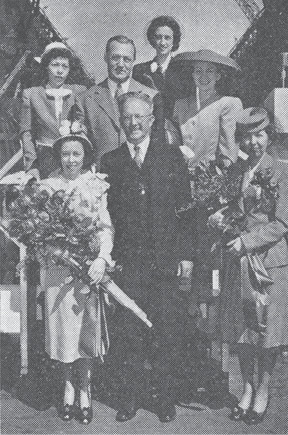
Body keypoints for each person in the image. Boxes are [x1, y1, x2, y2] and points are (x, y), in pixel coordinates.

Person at [101, 92, 194, 423]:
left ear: (152, 121)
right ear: (121, 121)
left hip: (165, 262)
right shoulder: (109, 162)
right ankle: (129, 398)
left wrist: (186, 256)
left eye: (140, 117)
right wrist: (107, 258)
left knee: (166, 332)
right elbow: (105, 216)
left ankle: (164, 399)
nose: (134, 123)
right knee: (128, 334)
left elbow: (185, 210)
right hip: (127, 264)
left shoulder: (171, 157)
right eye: (127, 117)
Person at [217, 107, 288, 425]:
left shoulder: (283, 172)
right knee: (243, 333)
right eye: (247, 137)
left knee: (268, 335)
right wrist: (220, 219)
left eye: (260, 135)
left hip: (268, 264)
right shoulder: (234, 173)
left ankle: (263, 391)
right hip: (238, 264)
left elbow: (281, 223)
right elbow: (231, 212)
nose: (253, 143)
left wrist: (246, 242)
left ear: (270, 137)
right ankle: (247, 389)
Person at [41, 128, 114, 424]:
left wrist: (101, 258)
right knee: (61, 330)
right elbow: (39, 231)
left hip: (86, 269)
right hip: (57, 269)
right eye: (66, 154)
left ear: (85, 157)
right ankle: (67, 387)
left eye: (77, 154)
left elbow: (104, 227)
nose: (71, 160)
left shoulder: (96, 186)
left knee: (85, 330)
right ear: (58, 155)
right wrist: (52, 250)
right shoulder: (46, 187)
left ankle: (85, 387)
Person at [171, 49, 243, 323]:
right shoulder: (180, 105)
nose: (203, 77)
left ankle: (210, 321)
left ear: (219, 75)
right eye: (198, 71)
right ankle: (188, 318)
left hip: (211, 189)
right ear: (191, 75)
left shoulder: (228, 103)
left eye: (209, 72)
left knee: (209, 255)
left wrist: (220, 192)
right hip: (181, 188)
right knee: (185, 253)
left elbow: (229, 154)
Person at [76, 35, 162, 167]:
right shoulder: (85, 99)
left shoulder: (151, 96)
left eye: (127, 59)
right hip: (101, 178)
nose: (121, 65)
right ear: (106, 57)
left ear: (134, 60)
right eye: (115, 58)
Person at [20, 42, 86, 179]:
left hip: (72, 160)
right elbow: (26, 132)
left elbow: (85, 125)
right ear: (45, 67)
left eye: (65, 66)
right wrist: (32, 166)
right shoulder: (32, 94)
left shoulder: (78, 91)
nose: (60, 71)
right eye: (55, 65)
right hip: (45, 158)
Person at [133, 15, 191, 118]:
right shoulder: (140, 70)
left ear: (174, 41)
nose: (163, 42)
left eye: (167, 38)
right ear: (152, 39)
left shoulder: (184, 70)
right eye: (158, 37)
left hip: (176, 127)